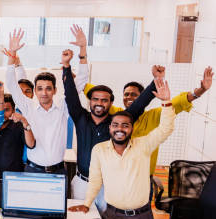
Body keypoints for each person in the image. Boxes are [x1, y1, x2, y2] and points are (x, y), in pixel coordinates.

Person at [62, 25, 157, 214]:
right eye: (95, 99)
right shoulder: (81, 117)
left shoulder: (117, 123)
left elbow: (139, 105)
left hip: (110, 184)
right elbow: (71, 94)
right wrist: (66, 66)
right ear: (90, 102)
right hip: (82, 183)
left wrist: (156, 82)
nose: (99, 103)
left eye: (104, 100)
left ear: (111, 103)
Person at [69, 78, 177, 219]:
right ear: (110, 128)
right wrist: (87, 203)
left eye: (125, 125)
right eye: (115, 125)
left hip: (141, 215)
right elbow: (95, 180)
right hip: (112, 213)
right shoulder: (99, 149)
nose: (120, 129)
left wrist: (166, 101)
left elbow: (165, 129)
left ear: (132, 128)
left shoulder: (144, 145)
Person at [78, 66, 213, 176]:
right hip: (118, 174)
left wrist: (200, 90)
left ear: (142, 98)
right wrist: (72, 78)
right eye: (126, 94)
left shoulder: (154, 115)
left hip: (142, 176)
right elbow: (96, 96)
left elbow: (179, 102)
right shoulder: (116, 113)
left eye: (134, 95)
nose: (129, 97)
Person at [3, 30, 68, 174]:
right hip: (33, 169)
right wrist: (12, 55)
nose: (44, 93)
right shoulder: (28, 105)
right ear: (35, 91)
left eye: (48, 89)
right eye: (40, 88)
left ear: (55, 90)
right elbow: (11, 83)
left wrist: (77, 59)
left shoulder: (63, 107)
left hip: (58, 171)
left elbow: (78, 86)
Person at [0, 94, 36, 180]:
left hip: (14, 180)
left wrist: (24, 122)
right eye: (0, 109)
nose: (3, 113)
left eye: (6, 110)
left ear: (13, 110)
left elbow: (31, 144)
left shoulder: (19, 127)